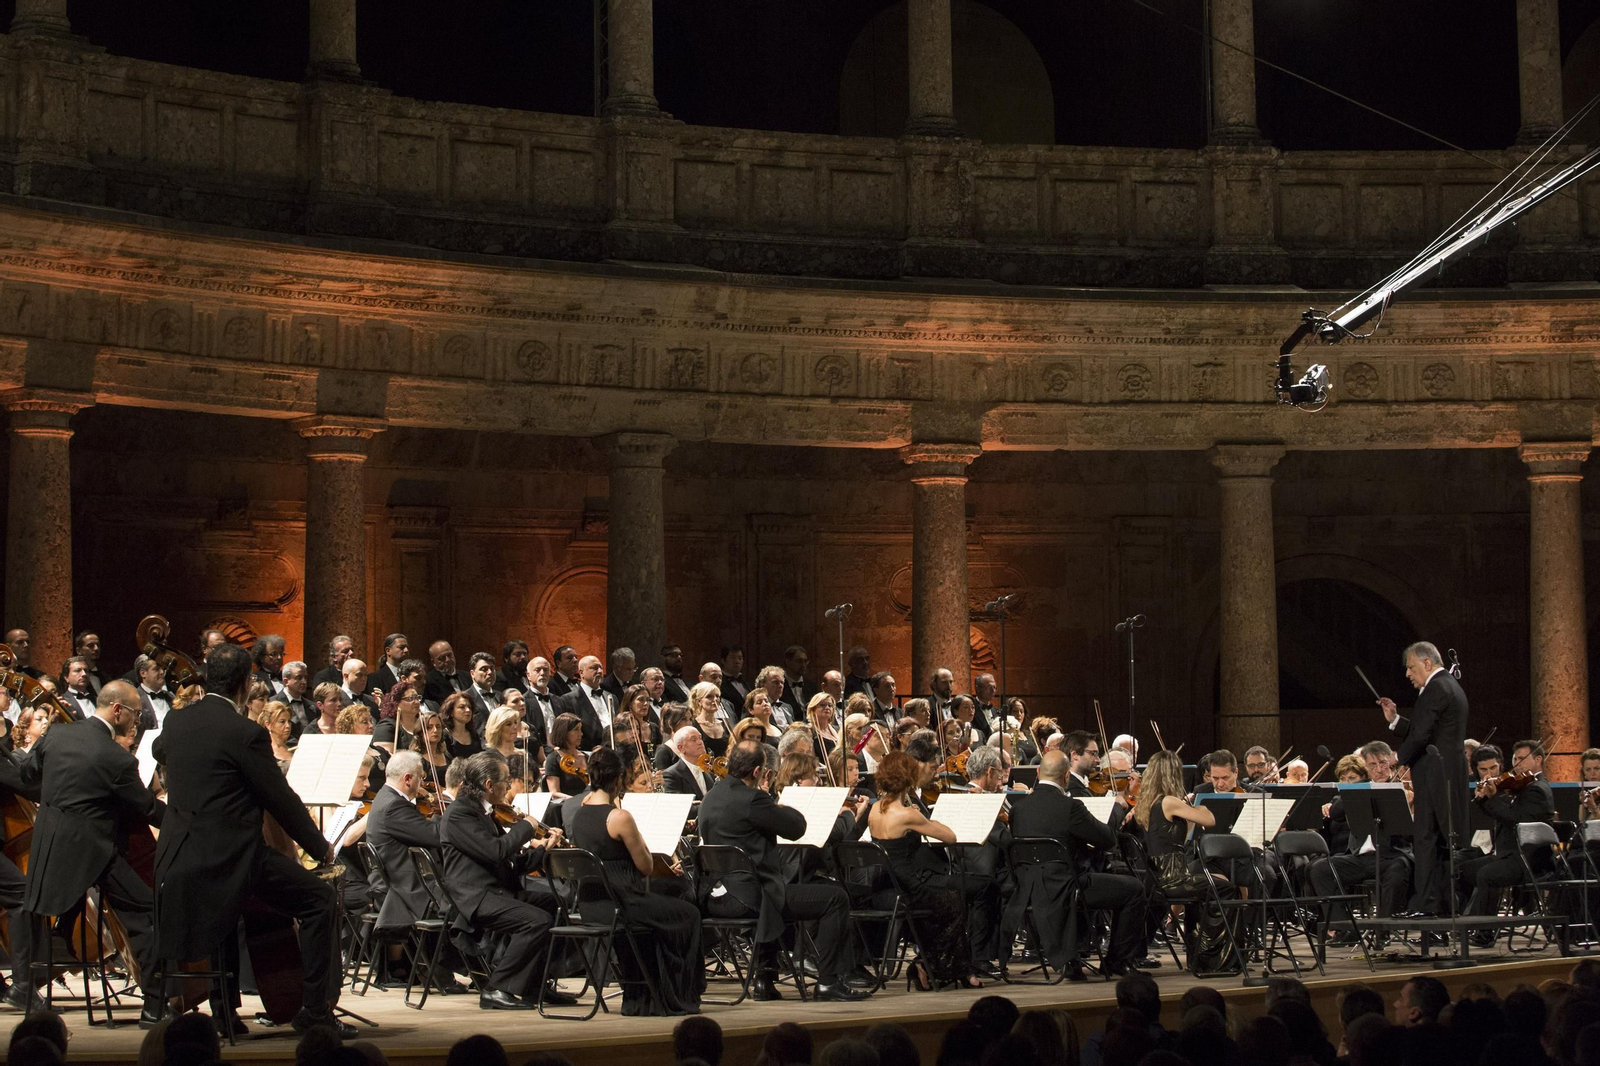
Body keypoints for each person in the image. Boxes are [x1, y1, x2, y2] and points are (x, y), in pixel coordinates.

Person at [151, 643, 351, 1037]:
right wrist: (319, 847)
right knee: (318, 899)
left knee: (230, 910)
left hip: (178, 858)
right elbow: (279, 799)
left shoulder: (175, 722)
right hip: (232, 859)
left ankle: (225, 1013)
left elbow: (160, 749)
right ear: (245, 685)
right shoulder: (245, 733)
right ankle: (314, 1011)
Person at [696, 743, 870, 1001]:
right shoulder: (753, 799)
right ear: (757, 771)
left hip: (714, 898)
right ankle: (829, 982)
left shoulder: (712, 796)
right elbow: (796, 828)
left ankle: (765, 982)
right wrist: (774, 801)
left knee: (774, 887)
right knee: (835, 897)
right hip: (750, 899)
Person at [565, 747, 704, 1014]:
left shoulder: (579, 814)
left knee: (664, 907)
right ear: (618, 779)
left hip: (592, 905)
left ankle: (644, 993)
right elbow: (646, 866)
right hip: (624, 904)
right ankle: (676, 993)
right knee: (688, 914)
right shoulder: (619, 817)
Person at [439, 750, 574, 1010]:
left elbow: (509, 864)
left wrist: (543, 848)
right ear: (489, 785)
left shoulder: (484, 812)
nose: (509, 785)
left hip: (496, 890)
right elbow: (497, 851)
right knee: (536, 922)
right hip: (476, 898)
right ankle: (496, 988)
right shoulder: (459, 814)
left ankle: (536, 986)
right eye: (505, 780)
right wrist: (528, 825)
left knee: (557, 907)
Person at [1005, 750, 1144, 977]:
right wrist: (1118, 806)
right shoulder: (1071, 807)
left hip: (1027, 887)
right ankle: (1116, 962)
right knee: (1135, 890)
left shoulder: (1018, 809)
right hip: (1066, 887)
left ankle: (1074, 956)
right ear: (1067, 777)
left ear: (1038, 773)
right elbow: (1107, 839)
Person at [868, 749, 982, 991]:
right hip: (909, 888)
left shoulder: (874, 809)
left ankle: (932, 965)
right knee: (954, 901)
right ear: (908, 778)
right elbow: (950, 837)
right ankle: (937, 965)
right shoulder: (907, 815)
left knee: (941, 906)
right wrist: (927, 820)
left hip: (885, 887)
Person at [1376, 640, 1469, 916]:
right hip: (1442, 773)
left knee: (1428, 839)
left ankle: (1427, 906)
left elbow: (1421, 735)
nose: (1408, 674)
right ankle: (1436, 906)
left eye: (1411, 667)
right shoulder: (1448, 686)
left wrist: (1397, 758)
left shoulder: (1437, 687)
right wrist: (1395, 719)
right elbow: (1428, 730)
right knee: (1437, 840)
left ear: (1427, 663)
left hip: (1434, 774)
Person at [1131, 748, 1239, 973]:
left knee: (1204, 890)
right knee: (1227, 889)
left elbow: (1184, 835)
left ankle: (1198, 955)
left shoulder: (1148, 802)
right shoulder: (1169, 801)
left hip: (1158, 877)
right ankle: (1213, 957)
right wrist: (1199, 806)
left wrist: (1188, 813)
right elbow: (1208, 820)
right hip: (1174, 878)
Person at [1461, 739, 1554, 939]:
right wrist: (1483, 799)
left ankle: (1485, 933)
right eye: (1515, 758)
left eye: (1522, 758)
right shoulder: (1523, 786)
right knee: (1463, 869)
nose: (1517, 763)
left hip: (1530, 859)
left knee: (1488, 874)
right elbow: (1503, 814)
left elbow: (1516, 821)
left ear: (1538, 760)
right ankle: (1465, 923)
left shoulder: (1537, 789)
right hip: (1512, 855)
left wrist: (1493, 798)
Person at [543, 713, 590, 798]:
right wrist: (575, 801)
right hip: (567, 806)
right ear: (564, 732)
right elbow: (554, 793)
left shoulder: (586, 757)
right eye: (576, 729)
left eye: (580, 729)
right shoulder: (553, 759)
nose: (581, 734)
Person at [439, 692, 482, 762]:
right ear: (451, 712)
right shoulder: (444, 735)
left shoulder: (473, 734)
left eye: (469, 707)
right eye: (462, 707)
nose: (468, 710)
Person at [254, 700, 296, 769]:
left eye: (289, 721)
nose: (288, 725)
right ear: (268, 725)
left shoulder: (294, 749)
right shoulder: (263, 751)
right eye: (282, 721)